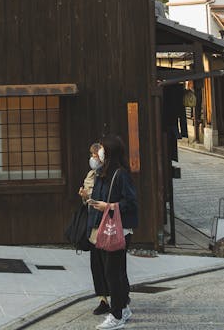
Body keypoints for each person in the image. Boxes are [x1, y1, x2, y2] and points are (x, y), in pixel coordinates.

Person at [87, 134, 139, 330]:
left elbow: (131, 202)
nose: (98, 152)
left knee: (113, 272)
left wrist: (109, 206)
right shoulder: (103, 172)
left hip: (119, 229)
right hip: (106, 228)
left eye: (101, 148)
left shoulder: (120, 174)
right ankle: (123, 308)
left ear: (109, 151)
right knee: (116, 271)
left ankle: (116, 315)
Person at [78, 143, 112, 316]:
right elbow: (89, 202)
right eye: (91, 155)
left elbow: (103, 199)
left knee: (110, 264)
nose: (92, 158)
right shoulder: (91, 174)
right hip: (93, 225)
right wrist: (85, 197)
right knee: (96, 264)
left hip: (107, 225)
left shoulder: (109, 175)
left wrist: (89, 197)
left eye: (95, 155)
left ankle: (119, 297)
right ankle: (102, 299)